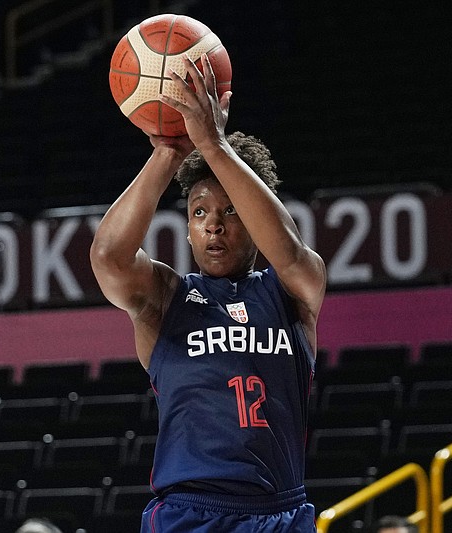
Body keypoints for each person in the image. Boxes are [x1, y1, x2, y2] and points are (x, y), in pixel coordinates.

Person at [90, 53, 326, 532]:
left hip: (279, 513)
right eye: (199, 212)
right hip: (191, 514)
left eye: (231, 211)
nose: (214, 225)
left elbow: (287, 250)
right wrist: (168, 153)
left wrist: (215, 146)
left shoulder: (293, 290)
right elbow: (108, 258)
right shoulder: (165, 297)